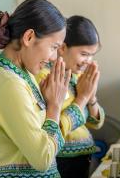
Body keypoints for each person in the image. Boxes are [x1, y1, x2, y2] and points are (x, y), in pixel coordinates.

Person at [0, 0, 71, 177]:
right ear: (29, 37)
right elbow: (42, 159)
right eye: (53, 47)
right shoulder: (9, 83)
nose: (54, 57)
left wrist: (48, 101)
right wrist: (54, 107)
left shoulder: (22, 74)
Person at [36, 15, 105, 178]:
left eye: (92, 55)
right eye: (84, 54)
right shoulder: (46, 77)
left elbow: (96, 123)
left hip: (81, 160)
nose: (88, 61)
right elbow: (52, 126)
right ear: (62, 48)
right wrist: (82, 98)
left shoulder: (75, 76)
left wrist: (91, 97)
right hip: (61, 162)